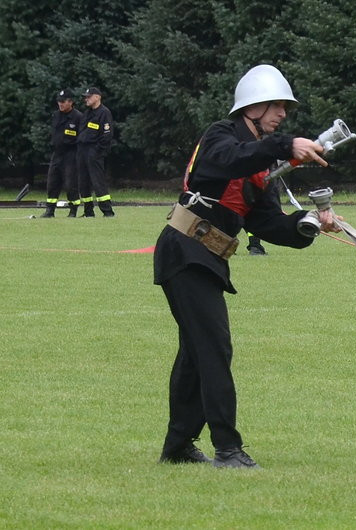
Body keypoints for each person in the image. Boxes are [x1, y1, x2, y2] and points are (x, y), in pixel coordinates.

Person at [153, 64, 339, 469]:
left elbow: (270, 224)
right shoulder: (222, 135)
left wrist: (311, 223)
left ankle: (178, 446)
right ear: (252, 107)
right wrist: (286, 146)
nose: (282, 115)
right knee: (213, 348)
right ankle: (228, 449)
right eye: (277, 106)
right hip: (184, 250)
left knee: (196, 352)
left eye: (285, 109)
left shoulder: (260, 163)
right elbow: (228, 160)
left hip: (209, 258)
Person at [41, 89, 82, 218]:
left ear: (71, 102)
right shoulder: (56, 115)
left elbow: (81, 137)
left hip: (71, 154)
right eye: (59, 101)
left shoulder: (78, 117)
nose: (60, 104)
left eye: (63, 101)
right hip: (57, 153)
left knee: (70, 183)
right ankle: (50, 210)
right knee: (52, 182)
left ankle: (73, 210)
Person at [77, 87, 115, 217]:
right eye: (85, 97)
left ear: (97, 97)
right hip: (82, 150)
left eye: (89, 96)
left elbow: (107, 134)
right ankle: (88, 211)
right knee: (83, 182)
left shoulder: (104, 112)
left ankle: (107, 211)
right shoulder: (87, 113)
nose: (86, 99)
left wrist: (98, 150)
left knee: (97, 181)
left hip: (94, 150)